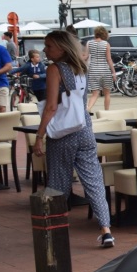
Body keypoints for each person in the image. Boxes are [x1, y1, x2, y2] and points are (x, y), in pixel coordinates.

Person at [34, 30, 113, 249]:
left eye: (49, 46)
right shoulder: (81, 67)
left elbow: (51, 107)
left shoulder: (55, 69)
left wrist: (39, 136)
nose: (45, 50)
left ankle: (54, 231)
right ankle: (106, 230)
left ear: (61, 47)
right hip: (84, 128)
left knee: (58, 182)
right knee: (94, 180)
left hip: (63, 132)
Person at [84, 26, 113, 113]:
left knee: (95, 94)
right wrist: (113, 71)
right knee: (107, 93)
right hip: (105, 70)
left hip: (93, 70)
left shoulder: (89, 43)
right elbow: (109, 59)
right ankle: (106, 112)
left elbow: (85, 56)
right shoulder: (106, 44)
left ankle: (88, 108)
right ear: (104, 34)